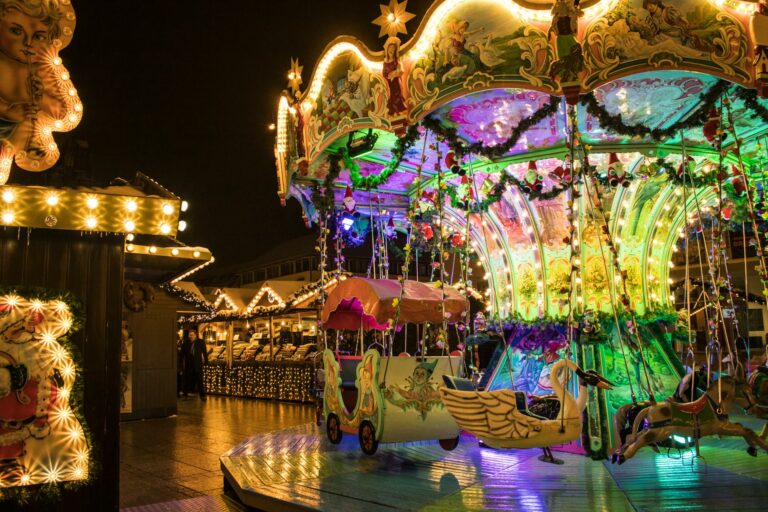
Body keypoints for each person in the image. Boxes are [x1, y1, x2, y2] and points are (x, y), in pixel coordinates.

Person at [180, 328, 208, 401]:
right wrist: (181, 365)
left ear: (195, 335)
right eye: (189, 335)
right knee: (187, 380)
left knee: (200, 380)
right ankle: (185, 395)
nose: (190, 337)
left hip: (198, 364)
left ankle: (203, 395)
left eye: (192, 335)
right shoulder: (186, 343)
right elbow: (182, 354)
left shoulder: (201, 342)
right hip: (189, 364)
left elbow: (204, 352)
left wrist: (206, 362)